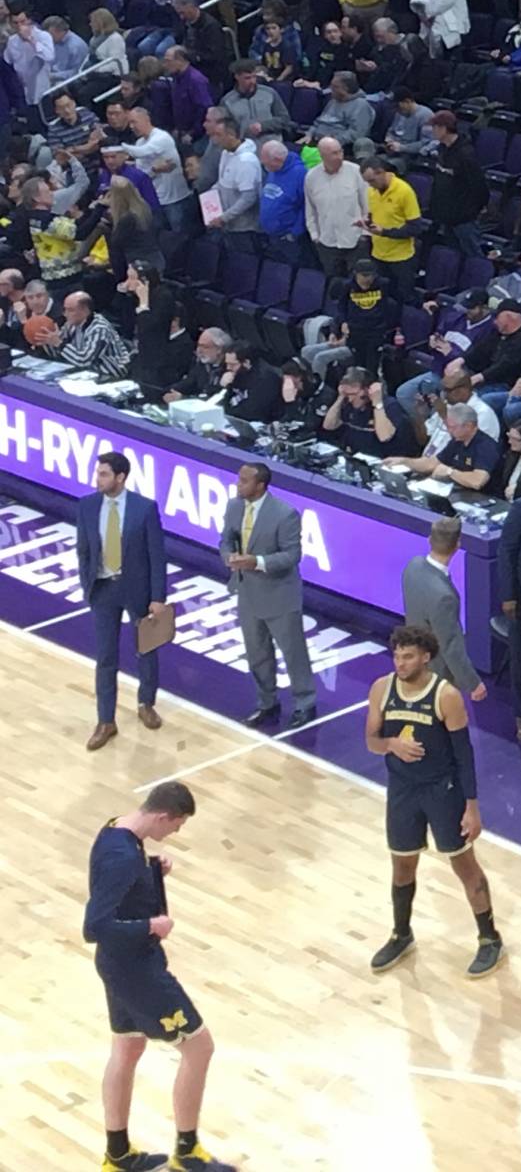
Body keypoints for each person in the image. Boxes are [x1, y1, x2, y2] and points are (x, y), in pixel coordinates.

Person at [85, 780, 235, 1172]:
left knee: (128, 1049)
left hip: (118, 965)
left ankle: (117, 1155)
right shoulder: (123, 857)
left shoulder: (116, 829)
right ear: (163, 815)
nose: (175, 833)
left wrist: (153, 872)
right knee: (199, 1048)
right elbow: (94, 926)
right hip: (136, 969)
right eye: (177, 826)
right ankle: (187, 1152)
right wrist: (150, 925)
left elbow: (120, 889)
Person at [363, 623, 504, 979]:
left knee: (463, 865)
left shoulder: (446, 696)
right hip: (402, 790)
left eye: (408, 656)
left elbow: (465, 756)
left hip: (442, 790)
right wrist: (391, 744)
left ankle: (489, 938)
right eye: (396, 655)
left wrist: (472, 806)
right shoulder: (382, 689)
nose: (400, 662)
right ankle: (401, 934)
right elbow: (372, 741)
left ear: (426, 657)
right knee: (402, 866)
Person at [75, 451, 169, 752]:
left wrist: (157, 597)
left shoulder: (144, 509)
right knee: (105, 657)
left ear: (120, 477)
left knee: (146, 649)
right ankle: (106, 721)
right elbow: (83, 550)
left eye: (103, 474)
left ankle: (146, 703)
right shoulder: (87, 506)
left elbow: (157, 556)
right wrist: (86, 584)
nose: (97, 479)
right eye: (97, 473)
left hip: (137, 590)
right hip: (103, 589)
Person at [216, 461, 313, 731]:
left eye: (244, 481)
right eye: (238, 479)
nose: (238, 484)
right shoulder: (234, 506)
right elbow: (225, 540)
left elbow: (292, 556)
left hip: (279, 594)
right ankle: (267, 703)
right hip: (246, 591)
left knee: (293, 653)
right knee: (256, 653)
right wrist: (229, 557)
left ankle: (305, 703)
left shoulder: (285, 514)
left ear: (260, 485)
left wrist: (256, 561)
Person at [401, 516, 483, 699]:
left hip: (413, 662)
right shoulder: (444, 597)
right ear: (457, 545)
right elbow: (450, 645)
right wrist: (473, 683)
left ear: (430, 540)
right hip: (436, 674)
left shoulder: (412, 566)